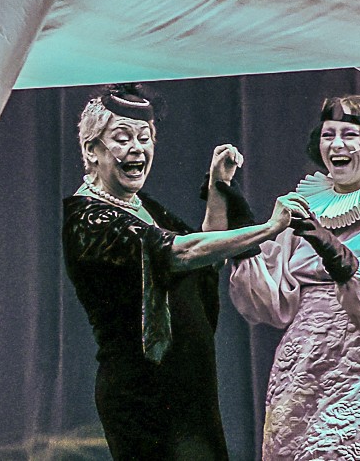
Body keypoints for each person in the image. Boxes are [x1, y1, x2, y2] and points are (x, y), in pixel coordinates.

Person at [61, 84, 307, 461]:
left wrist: (218, 186)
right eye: (122, 138)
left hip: (189, 388)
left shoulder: (144, 207)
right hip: (143, 396)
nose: (136, 148)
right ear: (92, 149)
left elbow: (203, 254)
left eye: (145, 137)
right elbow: (182, 252)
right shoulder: (88, 219)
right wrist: (270, 228)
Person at [229, 94, 360, 460]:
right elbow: (269, 299)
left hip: (355, 357)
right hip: (298, 360)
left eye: (349, 134)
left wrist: (330, 247)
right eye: (328, 134)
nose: (336, 144)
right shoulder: (302, 205)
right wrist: (240, 223)